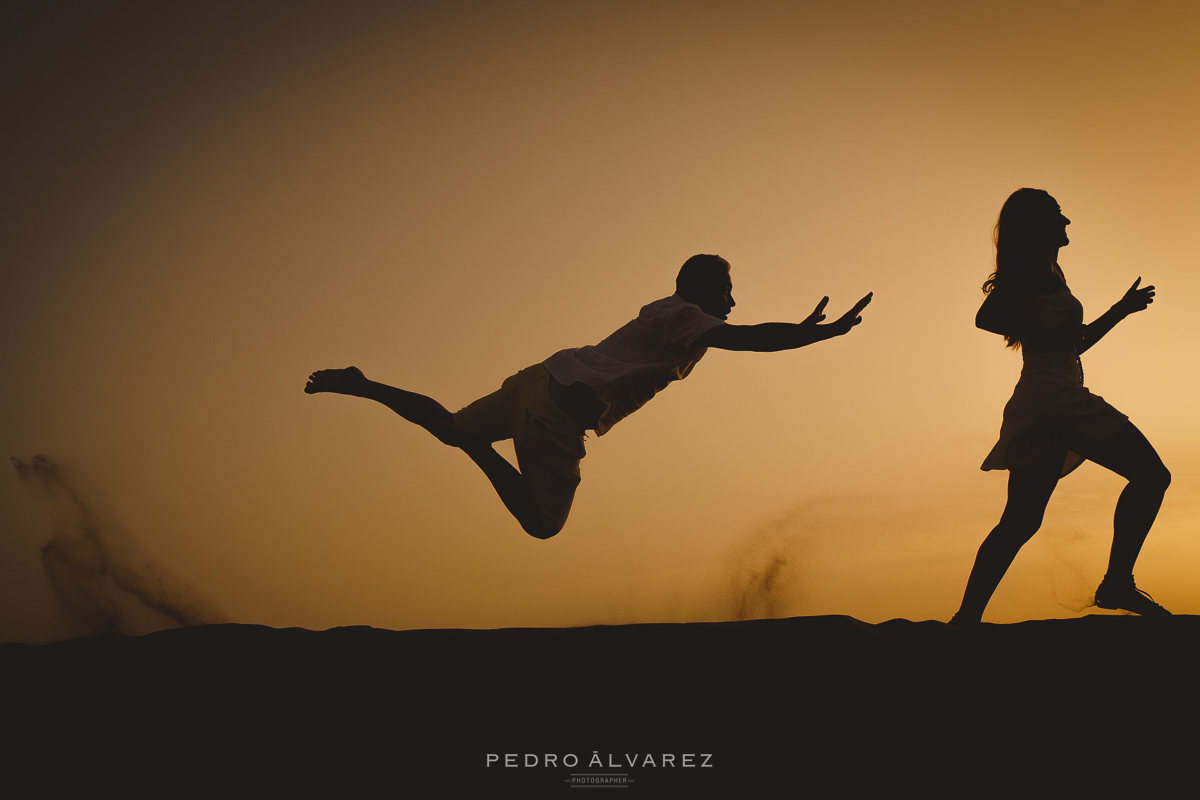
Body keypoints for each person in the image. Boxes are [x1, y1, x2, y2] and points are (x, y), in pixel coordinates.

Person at [305, 254, 871, 539]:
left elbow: (744, 336)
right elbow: (745, 341)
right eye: (725, 288)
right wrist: (813, 334)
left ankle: (365, 384)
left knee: (451, 424)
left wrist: (798, 331)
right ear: (700, 290)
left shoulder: (668, 313)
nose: (732, 298)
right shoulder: (685, 317)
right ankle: (478, 450)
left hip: (538, 379)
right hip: (557, 411)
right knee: (543, 523)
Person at [950, 189, 1171, 624]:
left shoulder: (1049, 271)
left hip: (1040, 399)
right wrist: (1051, 337)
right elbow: (987, 317)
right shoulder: (1032, 267)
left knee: (1020, 521)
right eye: (1058, 216)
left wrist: (1120, 311)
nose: (1067, 222)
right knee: (1151, 476)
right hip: (1057, 399)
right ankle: (1116, 584)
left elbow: (1077, 342)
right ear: (1039, 226)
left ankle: (966, 620)